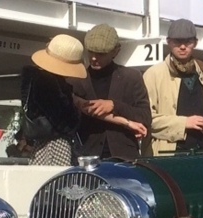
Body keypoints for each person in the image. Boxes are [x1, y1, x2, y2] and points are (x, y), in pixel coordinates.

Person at [144, 19, 203, 154]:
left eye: (188, 42)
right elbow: (146, 119)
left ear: (195, 43)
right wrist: (184, 123)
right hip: (168, 156)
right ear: (168, 42)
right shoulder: (153, 74)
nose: (182, 47)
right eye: (177, 42)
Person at [72, 24, 151, 159]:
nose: (94, 58)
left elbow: (145, 117)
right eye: (90, 52)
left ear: (116, 51)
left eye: (101, 54)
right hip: (87, 156)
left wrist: (115, 105)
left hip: (124, 158)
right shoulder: (77, 79)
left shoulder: (131, 77)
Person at [23, 34, 90, 165]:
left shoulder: (34, 79)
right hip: (54, 144)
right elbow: (63, 122)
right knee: (58, 181)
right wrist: (75, 113)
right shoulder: (48, 84)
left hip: (41, 144)